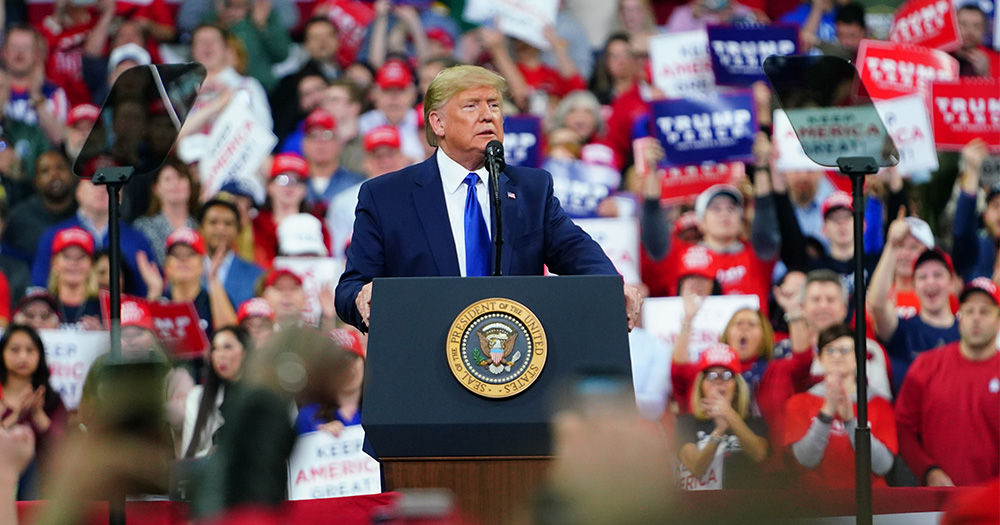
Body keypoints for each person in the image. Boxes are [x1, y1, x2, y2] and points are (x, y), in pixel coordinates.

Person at [335, 65, 641, 332]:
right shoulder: (387, 196)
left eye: (494, 105)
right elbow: (349, 290)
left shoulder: (531, 189)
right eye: (471, 106)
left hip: (513, 367)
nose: (487, 116)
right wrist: (363, 297)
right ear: (438, 124)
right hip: (423, 364)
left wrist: (612, 288)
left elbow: (577, 252)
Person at [895, 277, 1000, 487]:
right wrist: (928, 471)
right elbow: (903, 428)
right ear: (959, 316)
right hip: (935, 503)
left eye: (985, 311)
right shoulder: (926, 366)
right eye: (969, 311)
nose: (976, 318)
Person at [783, 324, 897, 489]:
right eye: (829, 350)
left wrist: (851, 422)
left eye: (844, 350)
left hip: (870, 502)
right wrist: (827, 413)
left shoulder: (880, 404)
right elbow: (805, 460)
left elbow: (883, 466)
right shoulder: (798, 402)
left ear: (858, 358)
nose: (836, 355)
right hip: (816, 503)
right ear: (819, 358)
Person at [868, 212, 960, 393]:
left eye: (938, 275)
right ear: (915, 285)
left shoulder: (966, 328)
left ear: (952, 283)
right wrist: (891, 245)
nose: (931, 282)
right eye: (923, 277)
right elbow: (877, 304)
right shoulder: (904, 329)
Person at [675, 344, 769, 490]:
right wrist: (719, 431)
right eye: (711, 376)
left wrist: (728, 413)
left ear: (736, 386)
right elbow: (697, 469)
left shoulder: (754, 422)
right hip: (702, 508)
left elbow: (759, 454)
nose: (718, 381)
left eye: (727, 375)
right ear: (701, 385)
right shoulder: (686, 423)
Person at [0, 324, 68, 499]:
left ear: (40, 355)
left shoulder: (51, 399)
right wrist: (14, 416)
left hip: (43, 487)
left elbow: (64, 449)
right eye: (14, 350)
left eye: (30, 350)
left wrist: (38, 416)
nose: (23, 356)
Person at [182, 326, 252, 458]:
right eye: (214, 349)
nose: (220, 355)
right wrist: (214, 453)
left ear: (246, 351)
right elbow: (189, 457)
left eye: (227, 347)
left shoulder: (269, 393)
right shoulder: (197, 397)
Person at [294, 328, 365, 436]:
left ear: (364, 363)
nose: (348, 368)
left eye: (354, 358)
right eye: (339, 361)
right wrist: (319, 435)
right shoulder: (308, 416)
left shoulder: (380, 410)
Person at [132, 157, 202, 265]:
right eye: (168, 179)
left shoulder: (201, 226)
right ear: (156, 189)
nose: (175, 183)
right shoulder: (143, 227)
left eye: (181, 177)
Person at [198, 199, 264, 311]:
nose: (220, 229)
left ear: (238, 231)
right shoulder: (186, 269)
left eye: (228, 223)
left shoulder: (256, 275)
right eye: (213, 222)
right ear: (201, 228)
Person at [46, 227, 102, 330]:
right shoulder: (42, 307)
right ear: (54, 263)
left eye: (81, 257)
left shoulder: (104, 307)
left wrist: (102, 336)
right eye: (67, 257)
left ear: (91, 264)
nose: (73, 263)